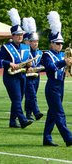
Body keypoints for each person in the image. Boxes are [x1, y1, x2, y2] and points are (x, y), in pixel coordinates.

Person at [0, 8, 33, 129]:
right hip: (10, 76)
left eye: (21, 34)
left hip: (22, 75)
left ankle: (12, 121)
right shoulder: (6, 47)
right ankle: (22, 120)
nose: (20, 36)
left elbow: (29, 60)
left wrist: (30, 65)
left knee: (18, 98)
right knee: (17, 98)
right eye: (17, 35)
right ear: (12, 36)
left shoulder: (26, 47)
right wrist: (9, 63)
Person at [43, 11, 72, 147]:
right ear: (51, 43)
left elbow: (65, 70)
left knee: (52, 113)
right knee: (59, 113)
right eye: (57, 43)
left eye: (61, 43)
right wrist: (64, 62)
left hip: (60, 85)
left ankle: (47, 138)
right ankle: (68, 138)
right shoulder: (47, 54)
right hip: (52, 86)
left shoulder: (62, 55)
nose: (60, 46)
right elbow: (50, 67)